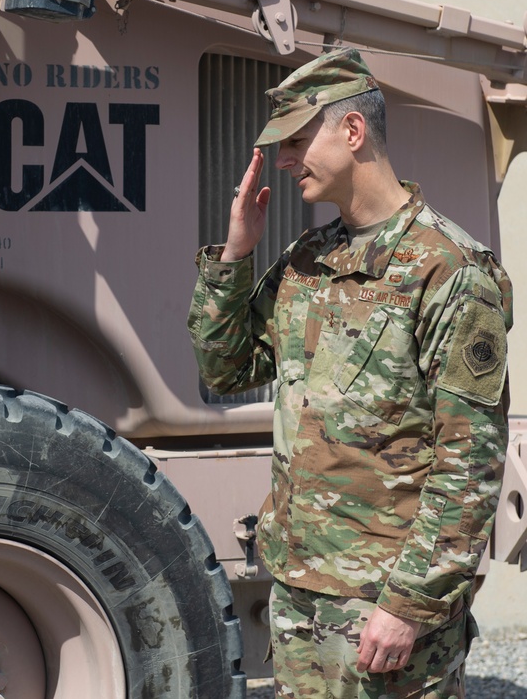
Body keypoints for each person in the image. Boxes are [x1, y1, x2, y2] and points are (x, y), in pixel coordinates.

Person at [188, 48, 512, 698]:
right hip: (302, 597)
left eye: (297, 141)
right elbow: (225, 370)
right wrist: (236, 254)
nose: (283, 159)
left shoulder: (448, 271)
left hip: (385, 609)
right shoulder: (306, 260)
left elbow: (469, 463)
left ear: (353, 132)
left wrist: (410, 605)